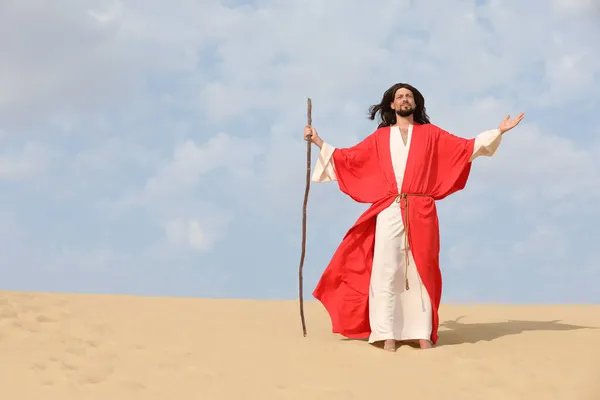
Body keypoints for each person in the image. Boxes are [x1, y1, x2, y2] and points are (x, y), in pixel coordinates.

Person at [304, 83, 524, 352]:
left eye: (409, 96)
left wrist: (498, 131)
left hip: (422, 210)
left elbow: (465, 148)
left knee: (422, 269)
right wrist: (318, 142)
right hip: (389, 209)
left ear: (415, 104)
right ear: (392, 105)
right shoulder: (379, 138)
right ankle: (387, 334)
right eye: (399, 97)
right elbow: (349, 158)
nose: (404, 99)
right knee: (387, 268)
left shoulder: (431, 134)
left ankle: (421, 333)